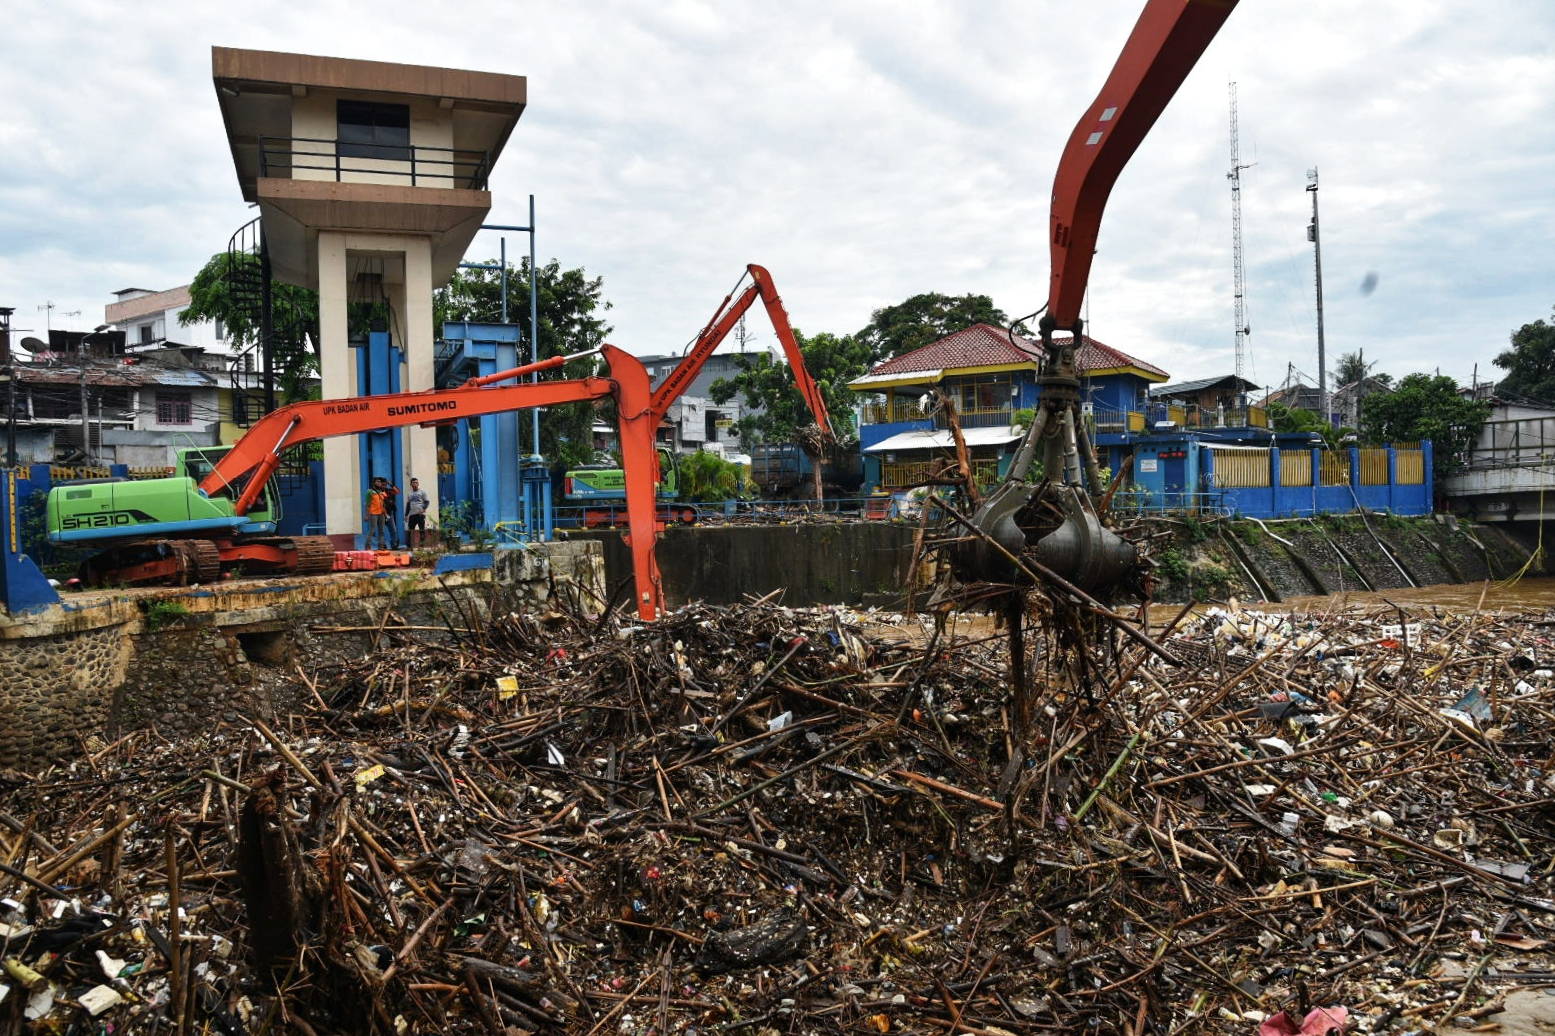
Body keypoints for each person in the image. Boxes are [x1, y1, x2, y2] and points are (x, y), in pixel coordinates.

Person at [364, 476, 394, 550]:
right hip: (373, 513)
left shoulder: (382, 492)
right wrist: (367, 515)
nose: (379, 483)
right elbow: (367, 504)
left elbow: (384, 502)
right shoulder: (369, 491)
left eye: (380, 482)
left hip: (382, 513)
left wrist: (386, 513)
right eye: (378, 481)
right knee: (372, 530)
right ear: (374, 483)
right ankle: (368, 545)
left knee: (382, 531)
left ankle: (381, 545)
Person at [403, 477, 430, 548]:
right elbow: (408, 505)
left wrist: (423, 508)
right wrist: (406, 515)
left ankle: (421, 546)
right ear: (411, 484)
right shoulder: (409, 493)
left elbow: (427, 502)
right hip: (412, 514)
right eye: (413, 483)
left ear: (418, 483)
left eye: (416, 482)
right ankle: (409, 546)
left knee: (421, 530)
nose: (415, 484)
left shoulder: (422, 492)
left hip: (420, 514)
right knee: (410, 530)